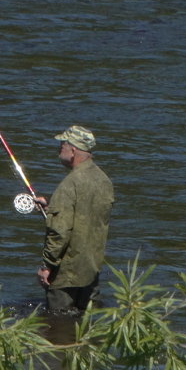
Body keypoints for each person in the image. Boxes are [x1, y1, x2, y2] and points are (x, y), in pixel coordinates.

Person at [34, 125, 115, 315]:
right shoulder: (103, 180)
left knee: (57, 324)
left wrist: (47, 266)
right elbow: (87, 217)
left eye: (62, 144)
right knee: (87, 321)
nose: (59, 149)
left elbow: (59, 232)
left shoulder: (69, 184)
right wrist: (52, 207)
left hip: (66, 273)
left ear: (73, 150)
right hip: (90, 269)